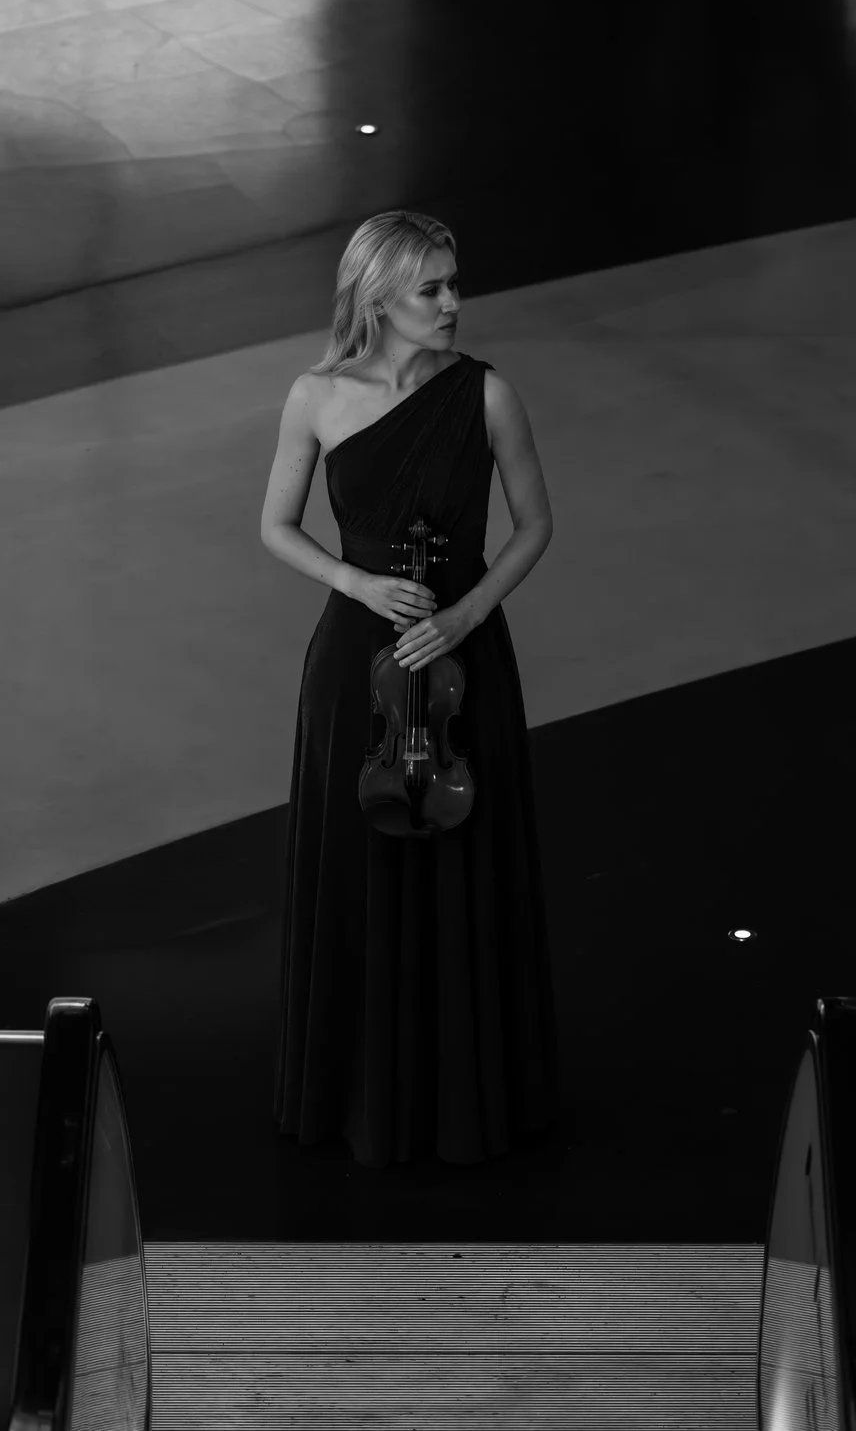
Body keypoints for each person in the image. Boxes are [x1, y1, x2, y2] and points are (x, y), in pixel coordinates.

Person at [260, 210, 561, 1165]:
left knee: (465, 861)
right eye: (431, 288)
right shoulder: (316, 394)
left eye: (453, 283)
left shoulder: (487, 394)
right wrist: (358, 582)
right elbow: (276, 525)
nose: (452, 304)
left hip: (461, 653)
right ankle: (359, 1098)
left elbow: (534, 526)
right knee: (361, 867)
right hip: (359, 661)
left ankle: (471, 1099)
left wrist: (463, 617)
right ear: (379, 295)